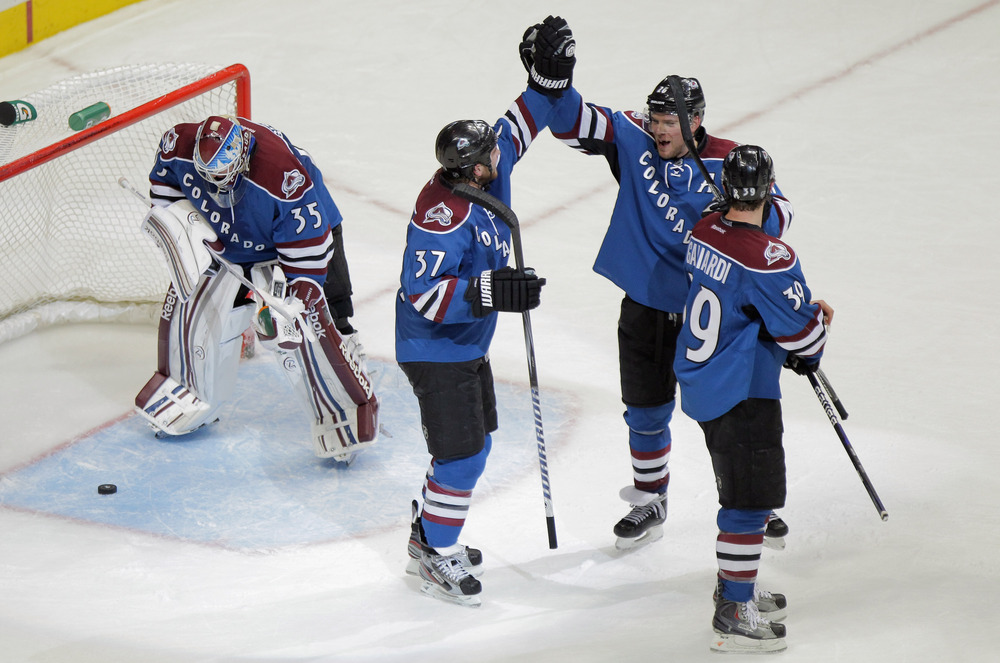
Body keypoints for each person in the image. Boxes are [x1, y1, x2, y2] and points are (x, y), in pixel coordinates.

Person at [542, 58, 794, 549]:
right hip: (646, 305)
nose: (659, 130)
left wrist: (738, 215)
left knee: (723, 414)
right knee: (644, 409)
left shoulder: (729, 163)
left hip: (713, 315)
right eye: (655, 119)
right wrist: (554, 81)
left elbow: (780, 213)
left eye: (669, 122)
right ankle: (651, 499)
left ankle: (750, 505)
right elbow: (569, 121)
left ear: (696, 122)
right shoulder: (632, 136)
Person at [395, 15, 573, 606]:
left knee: (477, 446)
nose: (502, 151)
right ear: (474, 169)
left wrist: (546, 81)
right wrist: (494, 293)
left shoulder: (485, 168)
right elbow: (422, 295)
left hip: (467, 345)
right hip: (434, 349)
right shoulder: (440, 216)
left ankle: (430, 534)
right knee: (463, 455)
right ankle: (435, 555)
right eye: (493, 152)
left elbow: (523, 122)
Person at [134, 115, 378, 464]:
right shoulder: (179, 145)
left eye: (223, 175)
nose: (217, 183)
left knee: (307, 328)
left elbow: (311, 254)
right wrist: (179, 222)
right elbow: (165, 188)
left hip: (293, 240)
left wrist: (297, 303)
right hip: (229, 238)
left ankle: (341, 409)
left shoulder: (285, 180)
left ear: (244, 155)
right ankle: (191, 389)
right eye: (210, 175)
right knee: (198, 307)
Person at [673, 145, 830, 652]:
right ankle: (733, 612)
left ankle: (733, 585)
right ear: (766, 189)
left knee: (743, 495)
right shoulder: (769, 258)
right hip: (741, 391)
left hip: (703, 377)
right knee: (748, 502)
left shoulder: (703, 230)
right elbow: (803, 341)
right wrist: (818, 320)